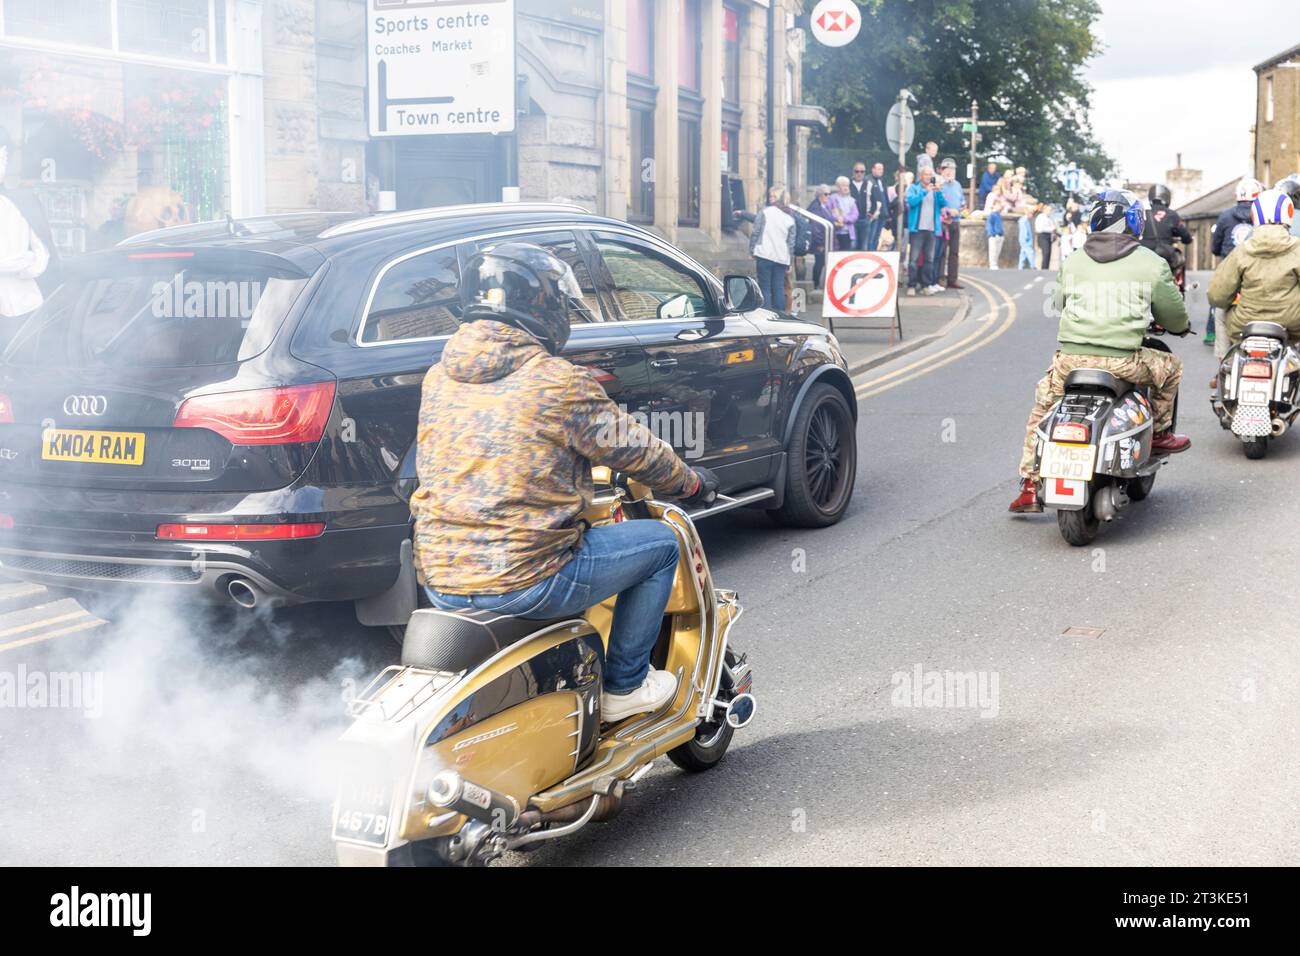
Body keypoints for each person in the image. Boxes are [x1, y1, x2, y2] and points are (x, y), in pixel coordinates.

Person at [412, 241, 718, 722]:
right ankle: (625, 686)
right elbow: (635, 450)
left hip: (441, 578)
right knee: (661, 544)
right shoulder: (556, 380)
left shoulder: (439, 377)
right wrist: (691, 483)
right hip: (524, 577)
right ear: (538, 306)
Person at [1008, 190, 1191, 513]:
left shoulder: (1074, 259)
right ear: (1133, 223)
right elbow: (1173, 315)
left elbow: (1057, 303)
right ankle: (1160, 433)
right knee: (1172, 367)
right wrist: (1177, 325)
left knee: (1042, 408)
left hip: (1071, 362)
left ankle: (1028, 484)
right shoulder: (1151, 262)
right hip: (1124, 362)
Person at [1207, 188, 1300, 348]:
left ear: (1255, 214)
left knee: (1220, 312)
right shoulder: (1297, 249)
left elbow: (1217, 296)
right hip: (1293, 324)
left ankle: (1224, 364)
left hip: (1245, 323)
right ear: (1289, 214)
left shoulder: (1241, 251)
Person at [0, 126, 53, 343]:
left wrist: (32, 263)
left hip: (26, 305)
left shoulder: (24, 202)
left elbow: (44, 251)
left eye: (2, 156)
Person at [1205, 177, 1262, 354]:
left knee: (1219, 297)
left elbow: (1216, 244)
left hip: (1229, 264)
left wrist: (1218, 252)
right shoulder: (1260, 216)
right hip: (1253, 266)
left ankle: (1211, 334)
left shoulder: (1225, 216)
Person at [748, 185, 797, 310]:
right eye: (770, 196)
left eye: (773, 196)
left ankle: (766, 316)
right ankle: (780, 315)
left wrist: (752, 250)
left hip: (764, 254)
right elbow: (791, 243)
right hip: (781, 257)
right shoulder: (790, 218)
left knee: (765, 287)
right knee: (779, 288)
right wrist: (789, 262)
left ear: (779, 198)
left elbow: (756, 232)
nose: (770, 198)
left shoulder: (765, 212)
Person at [905, 165, 949, 296]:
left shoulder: (934, 190)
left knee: (929, 260)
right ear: (920, 176)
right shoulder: (914, 188)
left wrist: (939, 191)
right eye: (926, 175)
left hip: (931, 229)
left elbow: (943, 204)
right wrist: (925, 191)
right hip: (917, 229)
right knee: (913, 259)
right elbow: (911, 202)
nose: (928, 177)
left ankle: (926, 285)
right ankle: (911, 285)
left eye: (930, 175)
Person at [1139, 184, 1193, 283]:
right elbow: (1186, 237)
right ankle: (1180, 286)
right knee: (1181, 260)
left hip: (1144, 253)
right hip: (1165, 253)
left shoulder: (1143, 214)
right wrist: (1187, 239)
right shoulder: (1172, 215)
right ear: (1167, 198)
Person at [938, 158, 967, 289]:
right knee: (942, 252)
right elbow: (936, 203)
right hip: (943, 222)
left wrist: (960, 210)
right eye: (947, 169)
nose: (950, 172)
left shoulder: (958, 185)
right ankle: (940, 279)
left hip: (955, 222)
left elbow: (963, 203)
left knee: (954, 253)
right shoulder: (939, 184)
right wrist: (948, 212)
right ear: (942, 171)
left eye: (952, 170)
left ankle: (952, 279)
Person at [806, 184, 836, 287]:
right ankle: (816, 284)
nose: (828, 197)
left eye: (829, 194)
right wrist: (820, 243)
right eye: (826, 194)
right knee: (819, 263)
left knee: (822, 263)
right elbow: (816, 227)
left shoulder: (824, 206)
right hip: (821, 242)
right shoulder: (816, 207)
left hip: (825, 240)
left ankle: (819, 283)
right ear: (820, 195)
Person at [864, 161, 892, 251]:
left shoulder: (882, 180)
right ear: (873, 169)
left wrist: (887, 213)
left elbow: (885, 197)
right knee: (870, 237)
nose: (881, 171)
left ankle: (874, 252)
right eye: (879, 169)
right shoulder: (868, 180)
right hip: (874, 214)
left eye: (882, 169)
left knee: (877, 236)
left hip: (883, 214)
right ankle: (869, 254)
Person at [829, 175, 860, 251]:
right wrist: (836, 218)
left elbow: (855, 215)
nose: (846, 188)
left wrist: (844, 219)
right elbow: (828, 212)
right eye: (843, 185)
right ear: (838, 187)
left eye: (847, 185)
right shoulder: (832, 198)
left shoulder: (852, 200)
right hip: (835, 233)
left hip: (848, 233)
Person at [848, 161, 871, 250]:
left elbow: (876, 199)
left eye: (862, 171)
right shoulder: (848, 184)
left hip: (865, 219)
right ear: (853, 172)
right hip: (852, 221)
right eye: (857, 171)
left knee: (864, 246)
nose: (859, 174)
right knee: (853, 245)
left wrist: (872, 212)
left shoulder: (869, 184)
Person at [1034, 203, 1056, 270]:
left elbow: (1053, 226)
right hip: (1043, 236)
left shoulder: (1050, 218)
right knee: (1045, 252)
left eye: (1051, 210)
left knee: (1049, 253)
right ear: (1045, 210)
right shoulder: (1040, 217)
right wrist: (1051, 229)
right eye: (1049, 210)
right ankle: (1044, 268)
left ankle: (1046, 267)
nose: (1050, 212)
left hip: (1048, 236)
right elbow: (1039, 229)